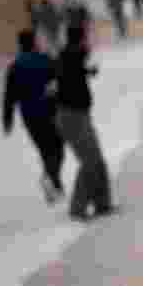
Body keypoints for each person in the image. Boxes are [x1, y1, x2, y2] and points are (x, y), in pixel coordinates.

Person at [55, 24, 114, 221]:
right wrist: (88, 51)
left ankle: (102, 203)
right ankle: (77, 207)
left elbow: (86, 69)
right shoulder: (72, 54)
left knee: (97, 160)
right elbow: (85, 62)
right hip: (71, 117)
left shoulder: (69, 56)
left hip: (78, 115)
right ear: (81, 40)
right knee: (90, 161)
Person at [3, 30, 65, 203]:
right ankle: (50, 177)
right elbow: (61, 78)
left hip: (29, 116)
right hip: (50, 111)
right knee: (58, 148)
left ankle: (55, 185)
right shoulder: (45, 59)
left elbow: (9, 97)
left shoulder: (14, 67)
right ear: (34, 43)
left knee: (45, 150)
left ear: (20, 45)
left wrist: (7, 120)